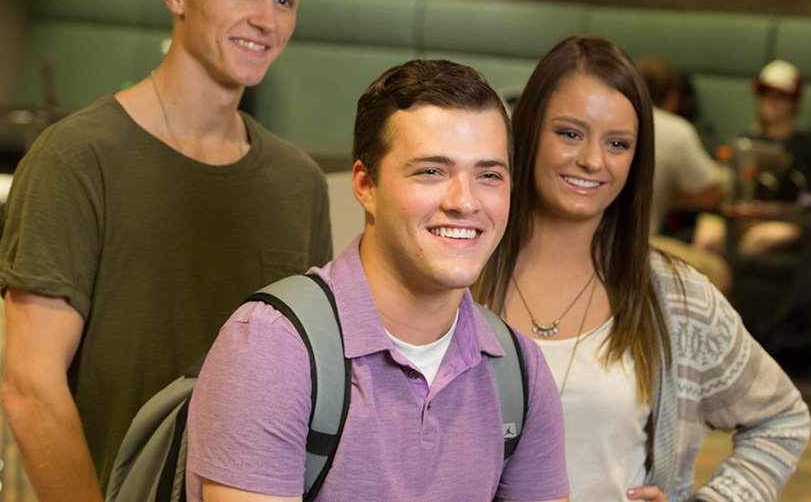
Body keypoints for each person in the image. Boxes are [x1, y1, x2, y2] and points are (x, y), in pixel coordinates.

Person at [0, 0, 333, 501]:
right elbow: (30, 387)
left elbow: (310, 375)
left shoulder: (298, 180)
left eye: (285, 0)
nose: (267, 19)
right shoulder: (76, 158)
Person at [185, 59, 570, 502]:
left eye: (489, 175)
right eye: (431, 171)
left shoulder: (520, 370)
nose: (465, 202)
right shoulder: (273, 347)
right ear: (366, 185)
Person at [477, 36, 810, 502]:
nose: (593, 160)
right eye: (570, 133)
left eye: (618, 143)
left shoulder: (676, 297)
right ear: (528, 132)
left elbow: (782, 419)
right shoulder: (458, 277)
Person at [692, 59, 811, 257]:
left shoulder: (807, 148)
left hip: (782, 222)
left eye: (779, 96)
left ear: (794, 101)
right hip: (738, 216)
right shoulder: (744, 141)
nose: (770, 102)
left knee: (765, 237)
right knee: (707, 238)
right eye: (765, 95)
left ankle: (730, 278)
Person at [634, 55, 730, 293]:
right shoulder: (676, 131)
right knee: (718, 272)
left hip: (582, 241)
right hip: (635, 246)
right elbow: (713, 194)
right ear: (673, 98)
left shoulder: (605, 117)